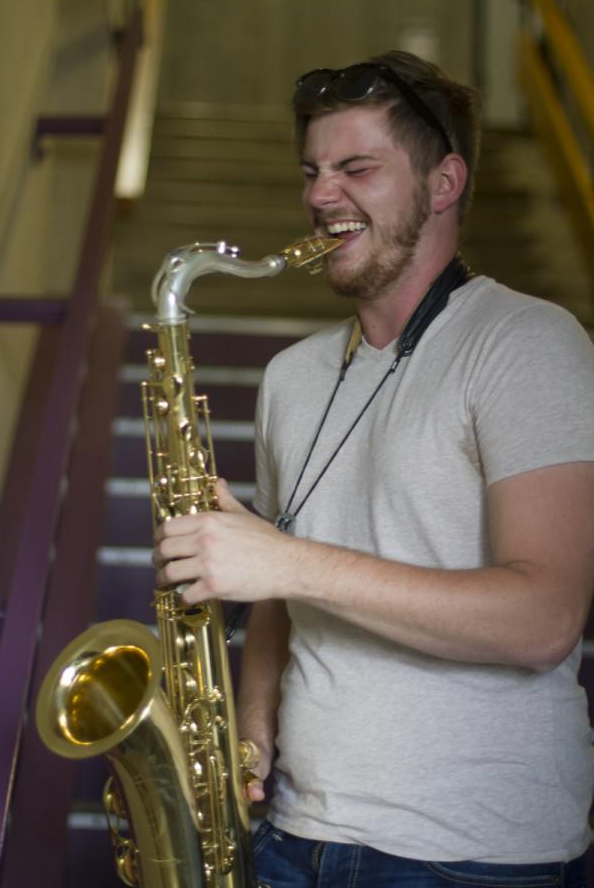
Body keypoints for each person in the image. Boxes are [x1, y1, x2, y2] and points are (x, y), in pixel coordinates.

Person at [153, 50, 594, 887]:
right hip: (295, 835)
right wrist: (252, 733)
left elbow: (544, 617)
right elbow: (283, 599)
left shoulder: (529, 344)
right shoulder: (291, 376)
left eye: (358, 168)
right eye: (314, 172)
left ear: (444, 182)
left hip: (471, 853)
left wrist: (283, 559)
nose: (322, 196)